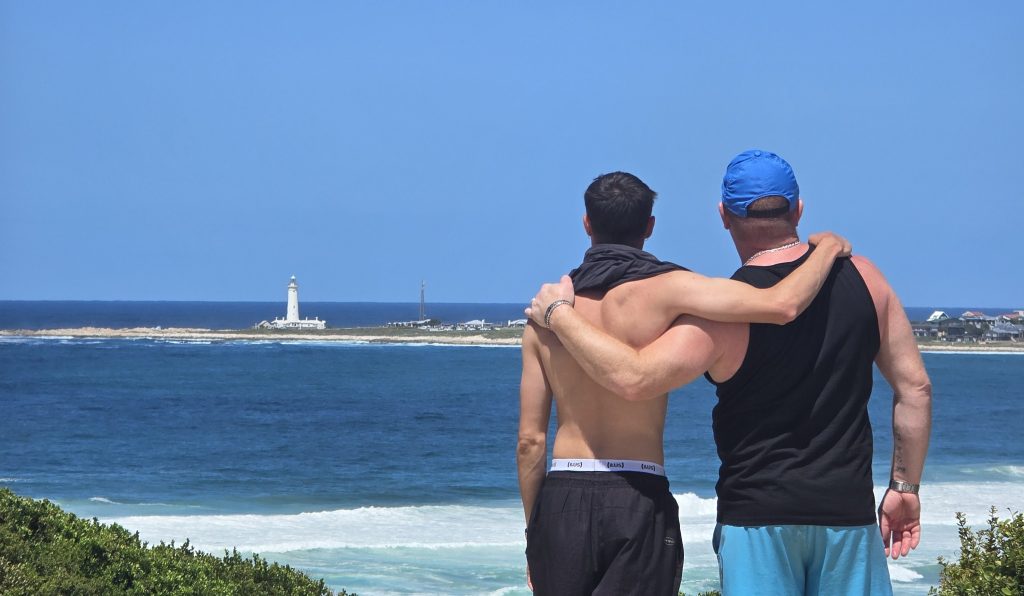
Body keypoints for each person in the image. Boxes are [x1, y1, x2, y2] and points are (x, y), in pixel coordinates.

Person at [526, 150, 932, 596]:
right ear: (798, 209)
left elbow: (633, 379)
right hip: (847, 512)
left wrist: (560, 313)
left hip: (754, 513)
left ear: (724, 216)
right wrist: (904, 485)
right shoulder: (867, 278)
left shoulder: (719, 315)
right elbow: (915, 388)